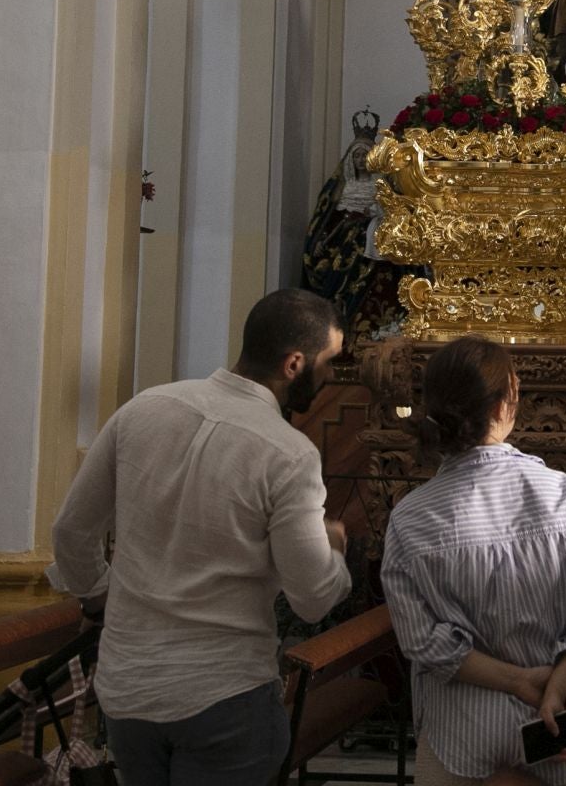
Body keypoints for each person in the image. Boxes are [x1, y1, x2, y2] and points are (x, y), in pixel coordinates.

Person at [48, 288, 352, 786]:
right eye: (330, 361)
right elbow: (313, 598)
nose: (333, 375)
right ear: (295, 363)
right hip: (224, 697)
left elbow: (71, 532)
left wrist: (100, 601)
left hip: (129, 694)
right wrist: (333, 548)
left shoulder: (144, 409)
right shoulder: (288, 454)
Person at [382, 336, 566, 785]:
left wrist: (516, 680)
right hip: (558, 727)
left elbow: (422, 642)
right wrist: (556, 686)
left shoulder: (409, 520)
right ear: (507, 399)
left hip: (461, 738)